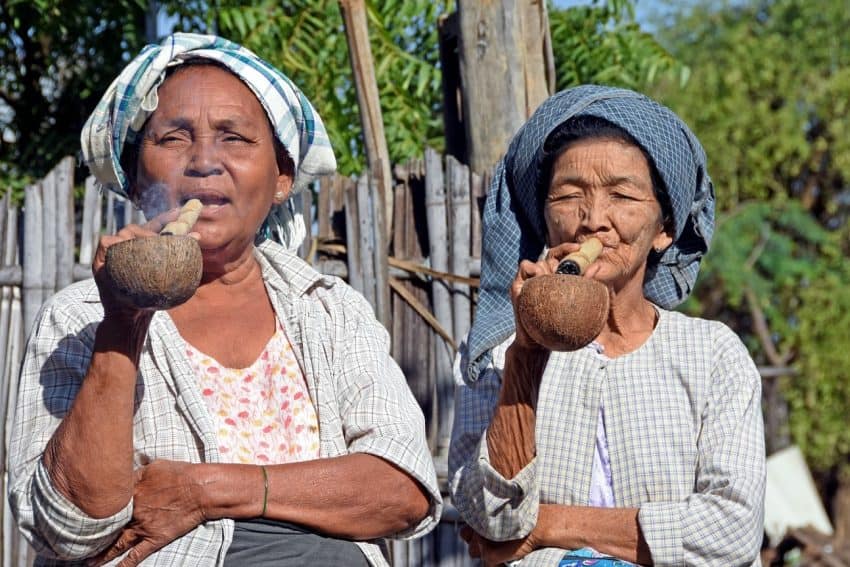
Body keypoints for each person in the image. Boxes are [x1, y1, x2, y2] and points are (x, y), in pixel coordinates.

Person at [8, 32, 441, 566]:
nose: (203, 161)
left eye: (234, 138)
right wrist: (123, 324)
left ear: (282, 178)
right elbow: (70, 529)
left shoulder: (330, 311)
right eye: (172, 139)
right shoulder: (79, 317)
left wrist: (206, 490)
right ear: (135, 174)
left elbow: (402, 491)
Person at [449, 85, 765, 566]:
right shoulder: (496, 353)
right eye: (568, 195)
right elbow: (489, 520)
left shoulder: (713, 355)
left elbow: (732, 530)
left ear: (663, 230)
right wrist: (527, 355)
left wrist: (549, 526)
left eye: (621, 194)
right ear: (544, 219)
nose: (593, 220)